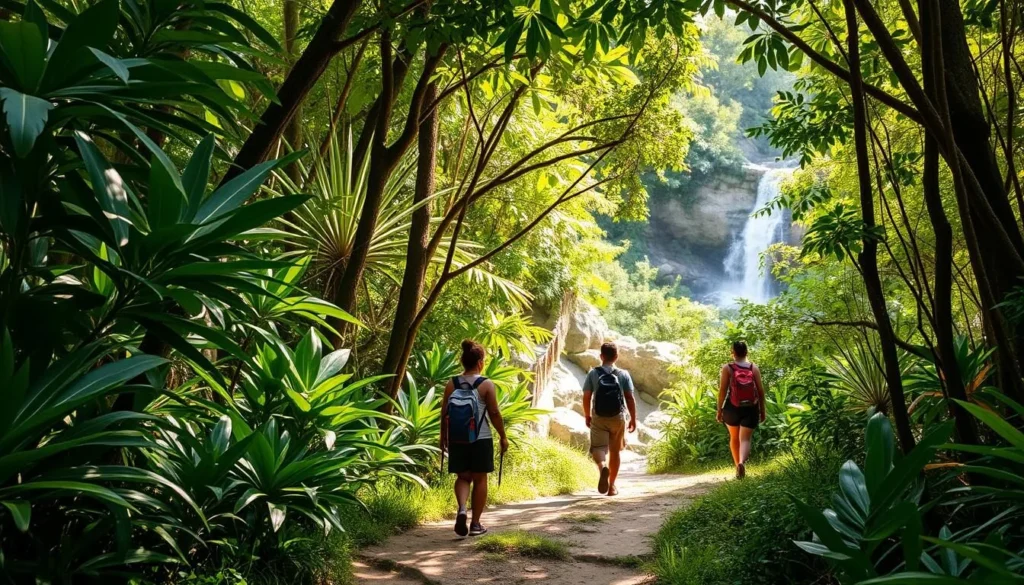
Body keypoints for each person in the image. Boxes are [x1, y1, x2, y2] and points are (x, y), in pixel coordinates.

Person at [440, 340, 509, 537]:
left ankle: (462, 508)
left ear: (463, 362)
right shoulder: (486, 384)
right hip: (480, 438)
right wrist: (503, 436)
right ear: (480, 362)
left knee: (463, 477)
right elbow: (494, 413)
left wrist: (443, 436)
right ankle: (476, 524)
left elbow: (444, 413)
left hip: (457, 438)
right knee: (480, 479)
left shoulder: (451, 383)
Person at [581, 341, 637, 496]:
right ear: (616, 357)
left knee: (598, 448)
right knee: (615, 451)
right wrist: (633, 419)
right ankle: (611, 486)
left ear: (601, 356)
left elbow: (586, 396)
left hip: (598, 417)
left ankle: (602, 467)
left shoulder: (593, 373)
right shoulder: (623, 374)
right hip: (618, 416)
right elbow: (630, 398)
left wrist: (587, 415)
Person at [716, 340, 766, 479]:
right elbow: (761, 392)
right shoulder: (753, 368)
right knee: (745, 439)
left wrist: (719, 410)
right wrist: (763, 410)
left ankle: (736, 467)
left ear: (732, 352)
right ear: (747, 352)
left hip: (732, 408)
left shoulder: (727, 368)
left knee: (734, 438)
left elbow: (722, 391)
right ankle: (741, 462)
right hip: (751, 408)